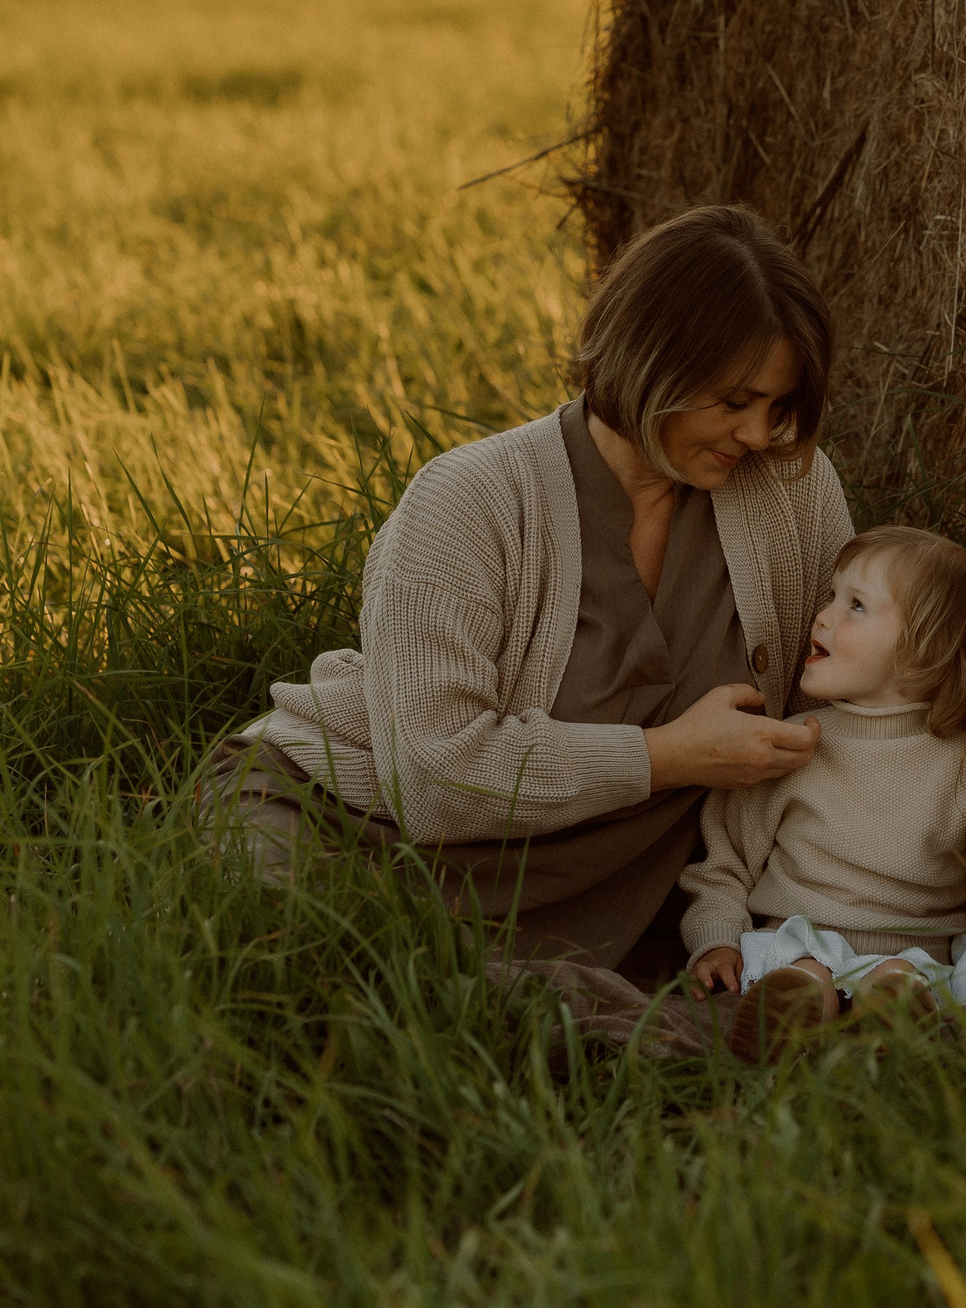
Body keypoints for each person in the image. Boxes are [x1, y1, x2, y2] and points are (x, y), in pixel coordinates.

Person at [199, 205, 852, 986]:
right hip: (362, 831)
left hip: (615, 880)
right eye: (733, 401)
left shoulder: (789, 491)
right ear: (651, 364)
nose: (755, 434)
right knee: (328, 977)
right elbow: (434, 784)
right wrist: (667, 757)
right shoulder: (467, 501)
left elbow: (855, 693)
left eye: (776, 408)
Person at [680, 525, 966, 1061]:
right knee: (801, 976)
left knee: (902, 979)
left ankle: (890, 1027)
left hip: (914, 952)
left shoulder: (965, 765)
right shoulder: (789, 743)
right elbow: (726, 864)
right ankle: (788, 1023)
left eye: (855, 605)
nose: (822, 615)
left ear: (923, 653)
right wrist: (715, 938)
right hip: (797, 941)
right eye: (831, 597)